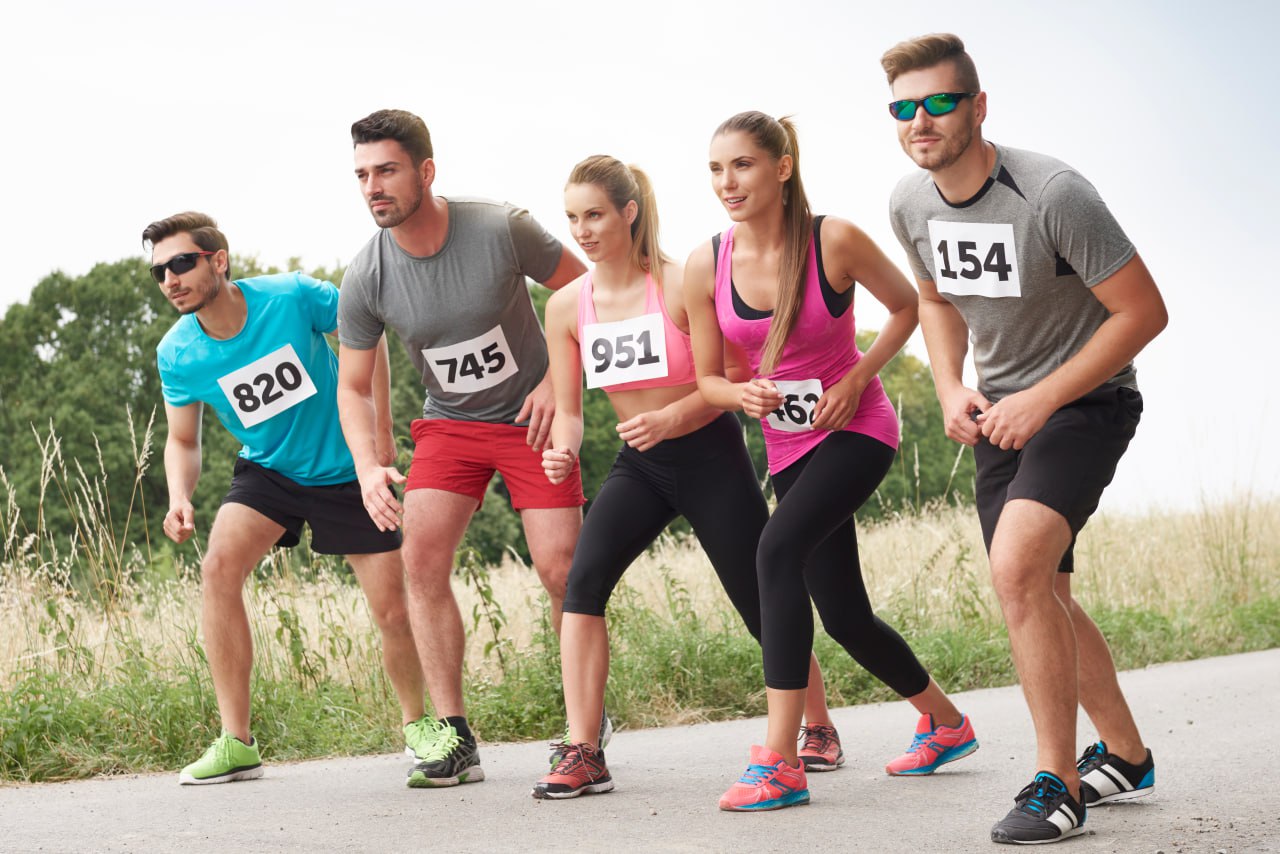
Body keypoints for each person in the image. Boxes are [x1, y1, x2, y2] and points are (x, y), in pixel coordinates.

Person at [881, 33, 1168, 844]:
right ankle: (1127, 754)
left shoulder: (1052, 193)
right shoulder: (910, 201)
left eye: (938, 101)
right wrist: (948, 384)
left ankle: (1058, 783)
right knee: (1044, 592)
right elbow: (935, 299)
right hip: (999, 413)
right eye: (903, 108)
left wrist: (1042, 398)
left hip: (1086, 401)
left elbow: (1143, 313)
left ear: (978, 105)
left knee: (1016, 572)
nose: (920, 120)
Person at [684, 111, 978, 813]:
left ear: (782, 167)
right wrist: (741, 392)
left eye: (744, 165)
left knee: (776, 550)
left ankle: (779, 760)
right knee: (845, 615)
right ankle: (946, 723)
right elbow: (708, 380)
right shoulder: (707, 263)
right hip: (788, 446)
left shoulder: (832, 240)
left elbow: (909, 307)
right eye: (717, 169)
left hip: (857, 429)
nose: (728, 182)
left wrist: (857, 376)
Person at [530, 156, 841, 800]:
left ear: (629, 213)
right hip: (639, 466)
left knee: (761, 596)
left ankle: (817, 726)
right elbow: (568, 412)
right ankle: (584, 748)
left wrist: (672, 417)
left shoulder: (680, 283)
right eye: (571, 219)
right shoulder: (565, 307)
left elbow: (727, 382)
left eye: (594, 215)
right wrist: (561, 452)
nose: (582, 231)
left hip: (708, 455)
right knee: (582, 585)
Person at [336, 109, 587, 788]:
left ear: (425, 171)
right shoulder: (365, 275)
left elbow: (589, 292)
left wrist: (557, 387)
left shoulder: (501, 227)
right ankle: (454, 736)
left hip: (531, 418)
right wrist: (366, 465)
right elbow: (353, 387)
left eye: (386, 170)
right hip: (450, 426)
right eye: (361, 174)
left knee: (562, 567)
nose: (372, 187)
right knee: (419, 557)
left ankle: (581, 734)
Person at [146, 211, 426, 785]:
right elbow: (181, 439)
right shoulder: (177, 354)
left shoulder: (292, 295)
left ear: (217, 260)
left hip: (347, 468)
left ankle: (421, 728)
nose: (170, 279)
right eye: (158, 272)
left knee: (392, 608)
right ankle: (236, 741)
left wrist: (379, 432)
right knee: (218, 568)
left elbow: (365, 331)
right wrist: (180, 494)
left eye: (180, 263)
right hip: (269, 472)